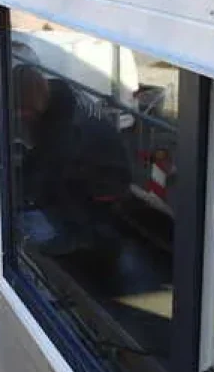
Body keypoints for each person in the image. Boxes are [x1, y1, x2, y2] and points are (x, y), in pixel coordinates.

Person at [13, 64, 131, 256]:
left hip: (109, 177)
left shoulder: (66, 129)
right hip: (99, 161)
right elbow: (40, 153)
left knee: (55, 182)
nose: (20, 116)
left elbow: (46, 165)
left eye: (22, 110)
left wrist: (13, 195)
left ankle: (83, 238)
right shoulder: (55, 92)